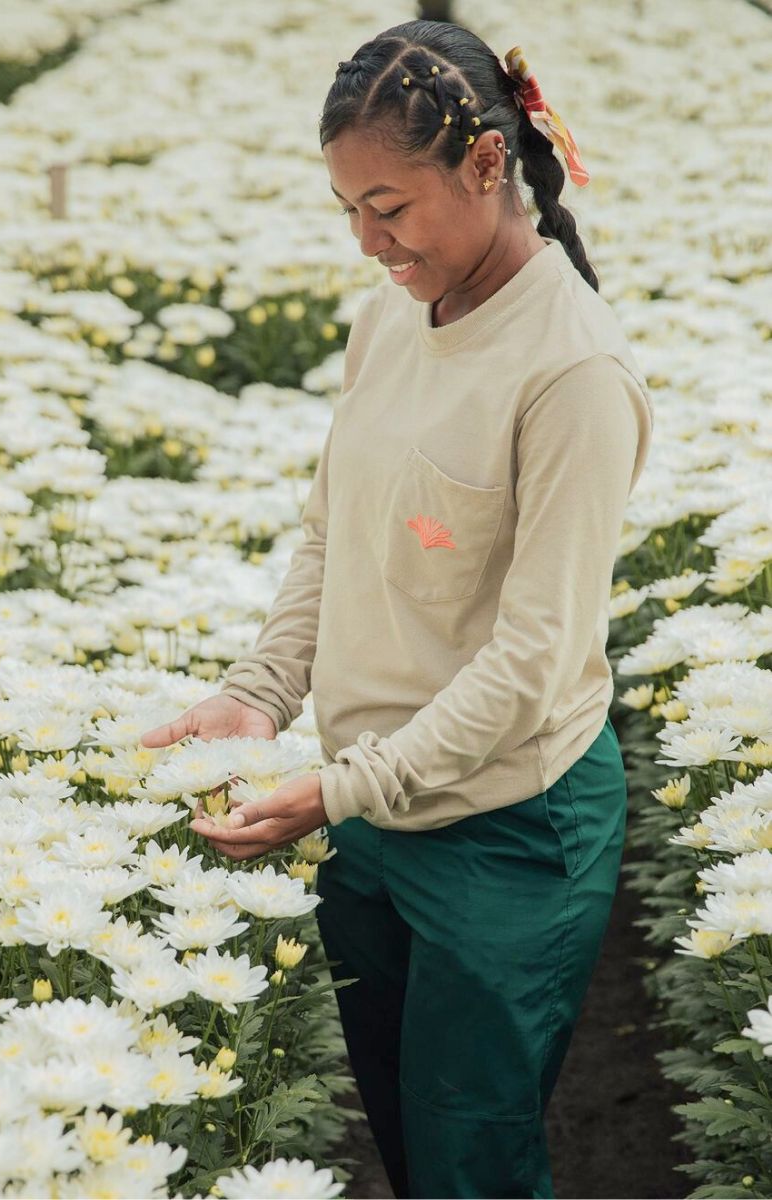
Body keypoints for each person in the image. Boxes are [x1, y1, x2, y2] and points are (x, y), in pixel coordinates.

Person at [141, 19, 654, 1200]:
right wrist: (261, 693)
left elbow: (535, 657)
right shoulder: (393, 313)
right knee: (407, 1139)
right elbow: (337, 527)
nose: (372, 245)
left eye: (390, 208)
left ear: (486, 166)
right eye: (348, 214)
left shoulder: (572, 372)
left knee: (471, 1160)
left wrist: (343, 788)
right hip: (374, 805)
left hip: (504, 828)